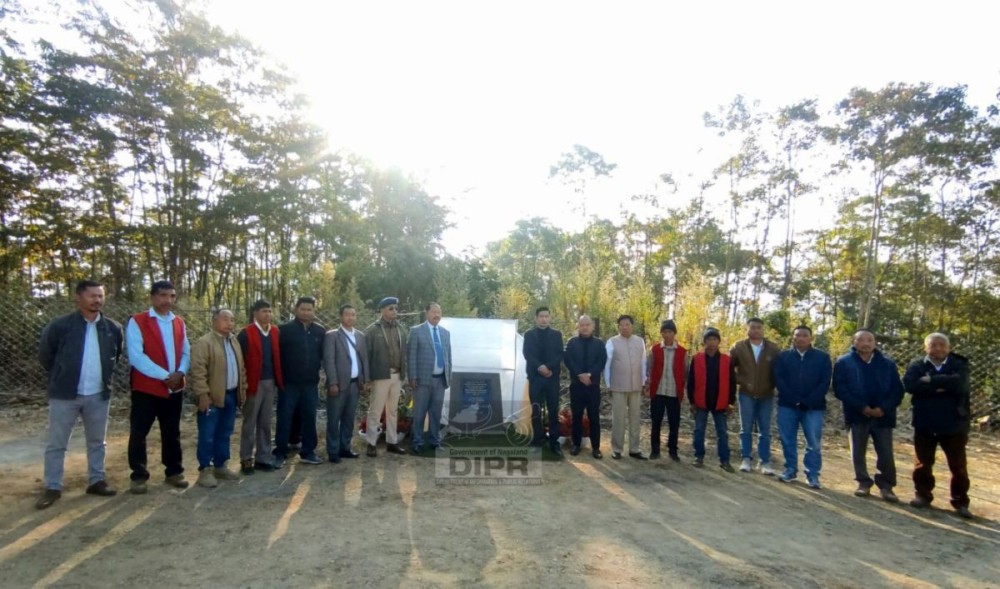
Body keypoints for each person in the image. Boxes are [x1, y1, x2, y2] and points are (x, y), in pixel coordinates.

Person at [35, 280, 124, 509]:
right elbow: (46, 355)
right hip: (65, 394)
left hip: (98, 394)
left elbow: (117, 355)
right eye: (92, 296)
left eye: (101, 296)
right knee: (57, 443)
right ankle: (52, 486)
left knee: (97, 442)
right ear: (78, 298)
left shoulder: (112, 328)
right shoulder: (60, 326)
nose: (97, 300)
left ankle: (96, 480)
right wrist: (62, 375)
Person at [126, 280, 191, 494]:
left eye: (172, 296)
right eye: (163, 295)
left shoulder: (178, 322)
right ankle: (139, 475)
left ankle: (174, 471)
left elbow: (185, 352)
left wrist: (180, 372)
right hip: (147, 388)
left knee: (171, 431)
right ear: (153, 297)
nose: (168, 301)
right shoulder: (138, 321)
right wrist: (165, 376)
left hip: (174, 388)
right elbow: (136, 356)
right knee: (139, 431)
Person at [902, 333, 973, 519]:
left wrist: (930, 381)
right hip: (925, 422)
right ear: (926, 348)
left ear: (949, 347)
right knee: (923, 463)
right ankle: (923, 496)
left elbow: (960, 384)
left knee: (958, 466)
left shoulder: (959, 364)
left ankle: (960, 501)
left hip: (954, 424)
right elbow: (910, 385)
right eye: (933, 345)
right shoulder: (917, 365)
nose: (938, 348)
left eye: (942, 345)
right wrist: (943, 386)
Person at [833, 329, 904, 502]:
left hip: (883, 416)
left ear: (875, 343)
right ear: (854, 342)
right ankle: (863, 483)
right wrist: (861, 407)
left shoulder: (887, 363)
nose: (866, 343)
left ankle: (886, 486)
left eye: (869, 340)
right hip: (857, 414)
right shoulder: (844, 362)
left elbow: (897, 390)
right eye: (861, 340)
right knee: (858, 451)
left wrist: (883, 408)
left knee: (885, 452)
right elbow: (840, 389)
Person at [189, 309, 247, 488]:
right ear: (214, 321)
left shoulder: (234, 342)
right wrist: (203, 395)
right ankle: (205, 469)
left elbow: (241, 369)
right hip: (211, 398)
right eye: (225, 319)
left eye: (232, 320)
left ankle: (221, 466)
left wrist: (242, 391)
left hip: (230, 395)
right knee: (207, 435)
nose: (229, 323)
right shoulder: (204, 343)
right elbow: (198, 372)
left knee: (225, 432)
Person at [773, 325, 832, 489]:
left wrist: (809, 401)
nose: (801, 338)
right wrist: (794, 400)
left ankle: (812, 474)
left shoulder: (822, 357)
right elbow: (779, 380)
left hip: (813, 407)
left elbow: (825, 382)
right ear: (793, 338)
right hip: (787, 405)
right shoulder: (783, 357)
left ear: (811, 338)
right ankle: (790, 469)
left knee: (813, 441)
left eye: (804, 335)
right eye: (797, 335)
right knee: (787, 440)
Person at [274, 296, 325, 467]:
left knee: (309, 417)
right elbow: (276, 357)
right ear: (296, 309)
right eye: (303, 309)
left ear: (313, 311)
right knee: (284, 417)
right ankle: (280, 452)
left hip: (310, 384)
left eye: (309, 309)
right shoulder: (284, 330)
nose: (306, 312)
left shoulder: (319, 331)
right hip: (289, 383)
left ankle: (308, 451)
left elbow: (322, 356)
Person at [236, 299, 283, 475]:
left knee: (265, 422)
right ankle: (246, 458)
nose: (268, 315)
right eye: (264, 311)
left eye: (270, 311)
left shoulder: (275, 332)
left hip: (270, 382)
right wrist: (243, 384)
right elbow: (240, 361)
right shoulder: (246, 333)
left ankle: (263, 457)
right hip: (253, 384)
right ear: (255, 313)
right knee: (250, 422)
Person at [729, 317, 781, 475]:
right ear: (747, 329)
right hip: (746, 393)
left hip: (766, 394)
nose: (756, 330)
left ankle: (764, 461)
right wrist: (741, 381)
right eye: (752, 327)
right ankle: (746, 458)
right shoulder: (739, 347)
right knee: (746, 428)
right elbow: (729, 368)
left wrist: (773, 384)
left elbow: (779, 371)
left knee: (765, 429)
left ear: (763, 330)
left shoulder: (773, 348)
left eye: (759, 327)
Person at [323, 304, 370, 463]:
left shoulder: (360, 336)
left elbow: (364, 360)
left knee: (349, 418)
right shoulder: (332, 336)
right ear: (341, 317)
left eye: (353, 314)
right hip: (338, 385)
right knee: (334, 418)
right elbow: (329, 361)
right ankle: (333, 450)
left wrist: (365, 380)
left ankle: (345, 447)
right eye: (347, 314)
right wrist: (333, 383)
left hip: (355, 384)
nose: (351, 317)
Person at [686, 327, 737, 471]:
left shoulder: (727, 360)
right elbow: (691, 381)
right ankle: (699, 456)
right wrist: (692, 401)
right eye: (708, 339)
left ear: (719, 341)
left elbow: (732, 382)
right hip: (701, 401)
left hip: (720, 402)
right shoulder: (697, 359)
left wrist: (731, 402)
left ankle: (725, 460)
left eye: (714, 339)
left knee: (722, 431)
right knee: (699, 430)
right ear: (704, 342)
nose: (712, 342)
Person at [364, 296, 409, 457]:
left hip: (397, 375)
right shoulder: (372, 330)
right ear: (382, 310)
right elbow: (366, 356)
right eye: (391, 308)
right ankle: (371, 443)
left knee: (393, 410)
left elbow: (405, 354)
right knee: (375, 410)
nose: (394, 311)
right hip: (380, 376)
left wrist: (405, 375)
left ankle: (392, 442)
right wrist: (367, 378)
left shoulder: (401, 329)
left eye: (396, 308)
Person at [407, 302, 452, 454]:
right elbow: (411, 356)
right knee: (419, 413)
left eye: (439, 312)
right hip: (422, 380)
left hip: (440, 380)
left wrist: (448, 377)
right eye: (433, 311)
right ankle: (417, 441)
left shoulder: (445, 333)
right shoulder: (416, 331)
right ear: (426, 313)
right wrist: (412, 376)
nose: (437, 315)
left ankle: (435, 440)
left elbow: (448, 357)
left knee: (436, 413)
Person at [522, 306, 564, 457]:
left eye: (546, 316)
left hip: (552, 378)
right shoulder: (529, 335)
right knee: (536, 411)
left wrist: (549, 367)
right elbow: (527, 353)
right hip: (535, 378)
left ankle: (554, 442)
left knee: (553, 410)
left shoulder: (557, 335)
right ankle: (537, 440)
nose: (544, 319)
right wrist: (539, 366)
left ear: (550, 318)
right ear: (536, 318)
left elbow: (560, 354)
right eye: (541, 316)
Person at [604, 315, 648, 460]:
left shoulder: (640, 341)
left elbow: (643, 363)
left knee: (635, 417)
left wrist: (643, 381)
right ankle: (617, 449)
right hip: (618, 386)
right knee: (618, 418)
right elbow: (607, 365)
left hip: (636, 386)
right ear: (618, 327)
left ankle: (634, 448)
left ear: (632, 326)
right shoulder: (612, 342)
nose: (625, 327)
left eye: (627, 324)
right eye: (622, 325)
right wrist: (608, 384)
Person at [564, 315, 607, 459]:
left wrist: (589, 374)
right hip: (577, 386)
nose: (585, 327)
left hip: (592, 386)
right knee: (576, 416)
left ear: (592, 326)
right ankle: (576, 444)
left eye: (587, 325)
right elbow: (568, 360)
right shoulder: (572, 342)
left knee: (594, 417)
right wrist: (580, 375)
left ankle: (596, 448)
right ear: (578, 326)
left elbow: (601, 361)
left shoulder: (599, 344)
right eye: (582, 325)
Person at [646, 319, 687, 461]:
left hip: (674, 393)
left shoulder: (682, 352)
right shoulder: (655, 349)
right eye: (665, 332)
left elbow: (685, 372)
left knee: (674, 423)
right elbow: (648, 368)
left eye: (670, 331)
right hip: (657, 392)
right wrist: (647, 385)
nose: (667, 334)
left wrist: (685, 391)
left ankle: (673, 450)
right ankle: (655, 450)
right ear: (661, 333)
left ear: (674, 333)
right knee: (655, 422)